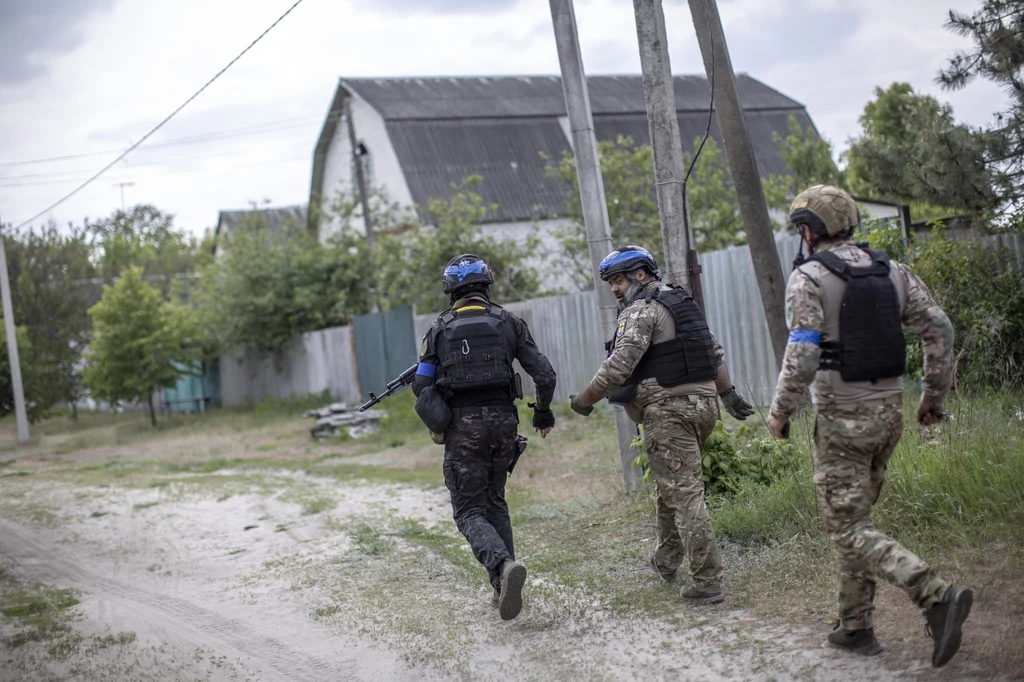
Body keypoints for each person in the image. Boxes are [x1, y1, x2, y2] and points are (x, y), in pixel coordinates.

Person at [766, 184, 971, 668]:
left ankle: (935, 595)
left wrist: (779, 412)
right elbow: (939, 328)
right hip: (890, 414)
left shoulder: (809, 278)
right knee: (857, 523)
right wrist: (933, 399)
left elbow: (805, 353)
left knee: (846, 528)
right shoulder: (893, 271)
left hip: (842, 420)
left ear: (808, 230)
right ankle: (855, 628)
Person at [568, 245, 754, 605]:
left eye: (618, 281)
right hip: (703, 407)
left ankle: (707, 580)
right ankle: (667, 560)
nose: (614, 290)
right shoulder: (683, 304)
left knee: (684, 494)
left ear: (640, 275)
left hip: (668, 411)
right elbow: (712, 352)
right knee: (673, 485)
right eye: (609, 283)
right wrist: (727, 394)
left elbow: (619, 366)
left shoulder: (641, 310)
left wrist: (584, 400)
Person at [412, 254, 557, 621]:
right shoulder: (509, 322)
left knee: (468, 511)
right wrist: (542, 410)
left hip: (464, 429)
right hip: (505, 424)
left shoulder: (439, 330)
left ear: (451, 291)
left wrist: (438, 421)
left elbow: (422, 385)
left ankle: (503, 566)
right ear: (486, 285)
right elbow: (545, 374)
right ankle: (501, 585)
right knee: (495, 502)